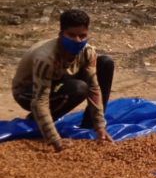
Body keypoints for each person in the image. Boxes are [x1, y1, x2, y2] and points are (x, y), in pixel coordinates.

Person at [12, 9, 114, 151]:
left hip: (58, 80)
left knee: (105, 63)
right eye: (71, 35)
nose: (78, 40)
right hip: (28, 91)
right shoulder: (46, 58)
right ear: (61, 34)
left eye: (82, 36)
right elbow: (39, 100)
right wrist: (54, 139)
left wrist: (100, 126)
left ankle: (88, 125)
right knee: (79, 88)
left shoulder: (88, 52)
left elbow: (94, 87)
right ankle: (38, 120)